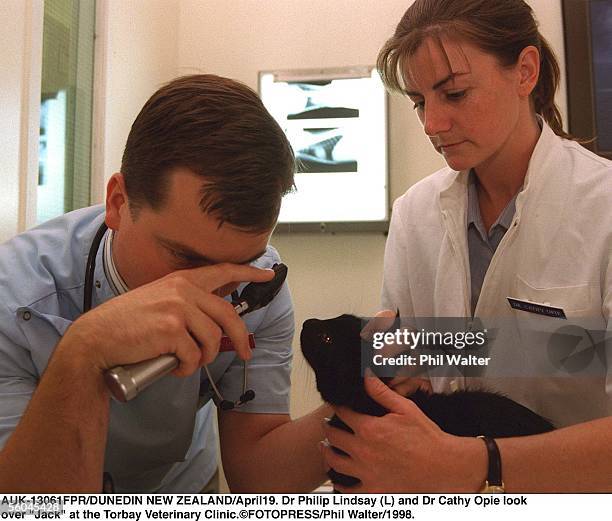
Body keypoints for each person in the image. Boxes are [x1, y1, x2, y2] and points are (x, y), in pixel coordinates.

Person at [319, 0, 612, 492]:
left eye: (453, 94)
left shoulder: (603, 209)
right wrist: (397, 367)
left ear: (525, 71)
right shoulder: (415, 214)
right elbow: (450, 365)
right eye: (418, 101)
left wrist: (478, 464)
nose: (432, 124)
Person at [0, 74, 332, 493]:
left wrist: (363, 396)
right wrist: (83, 351)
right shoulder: (13, 298)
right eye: (186, 259)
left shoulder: (258, 287)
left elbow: (259, 478)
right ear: (119, 203)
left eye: (238, 264)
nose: (213, 292)